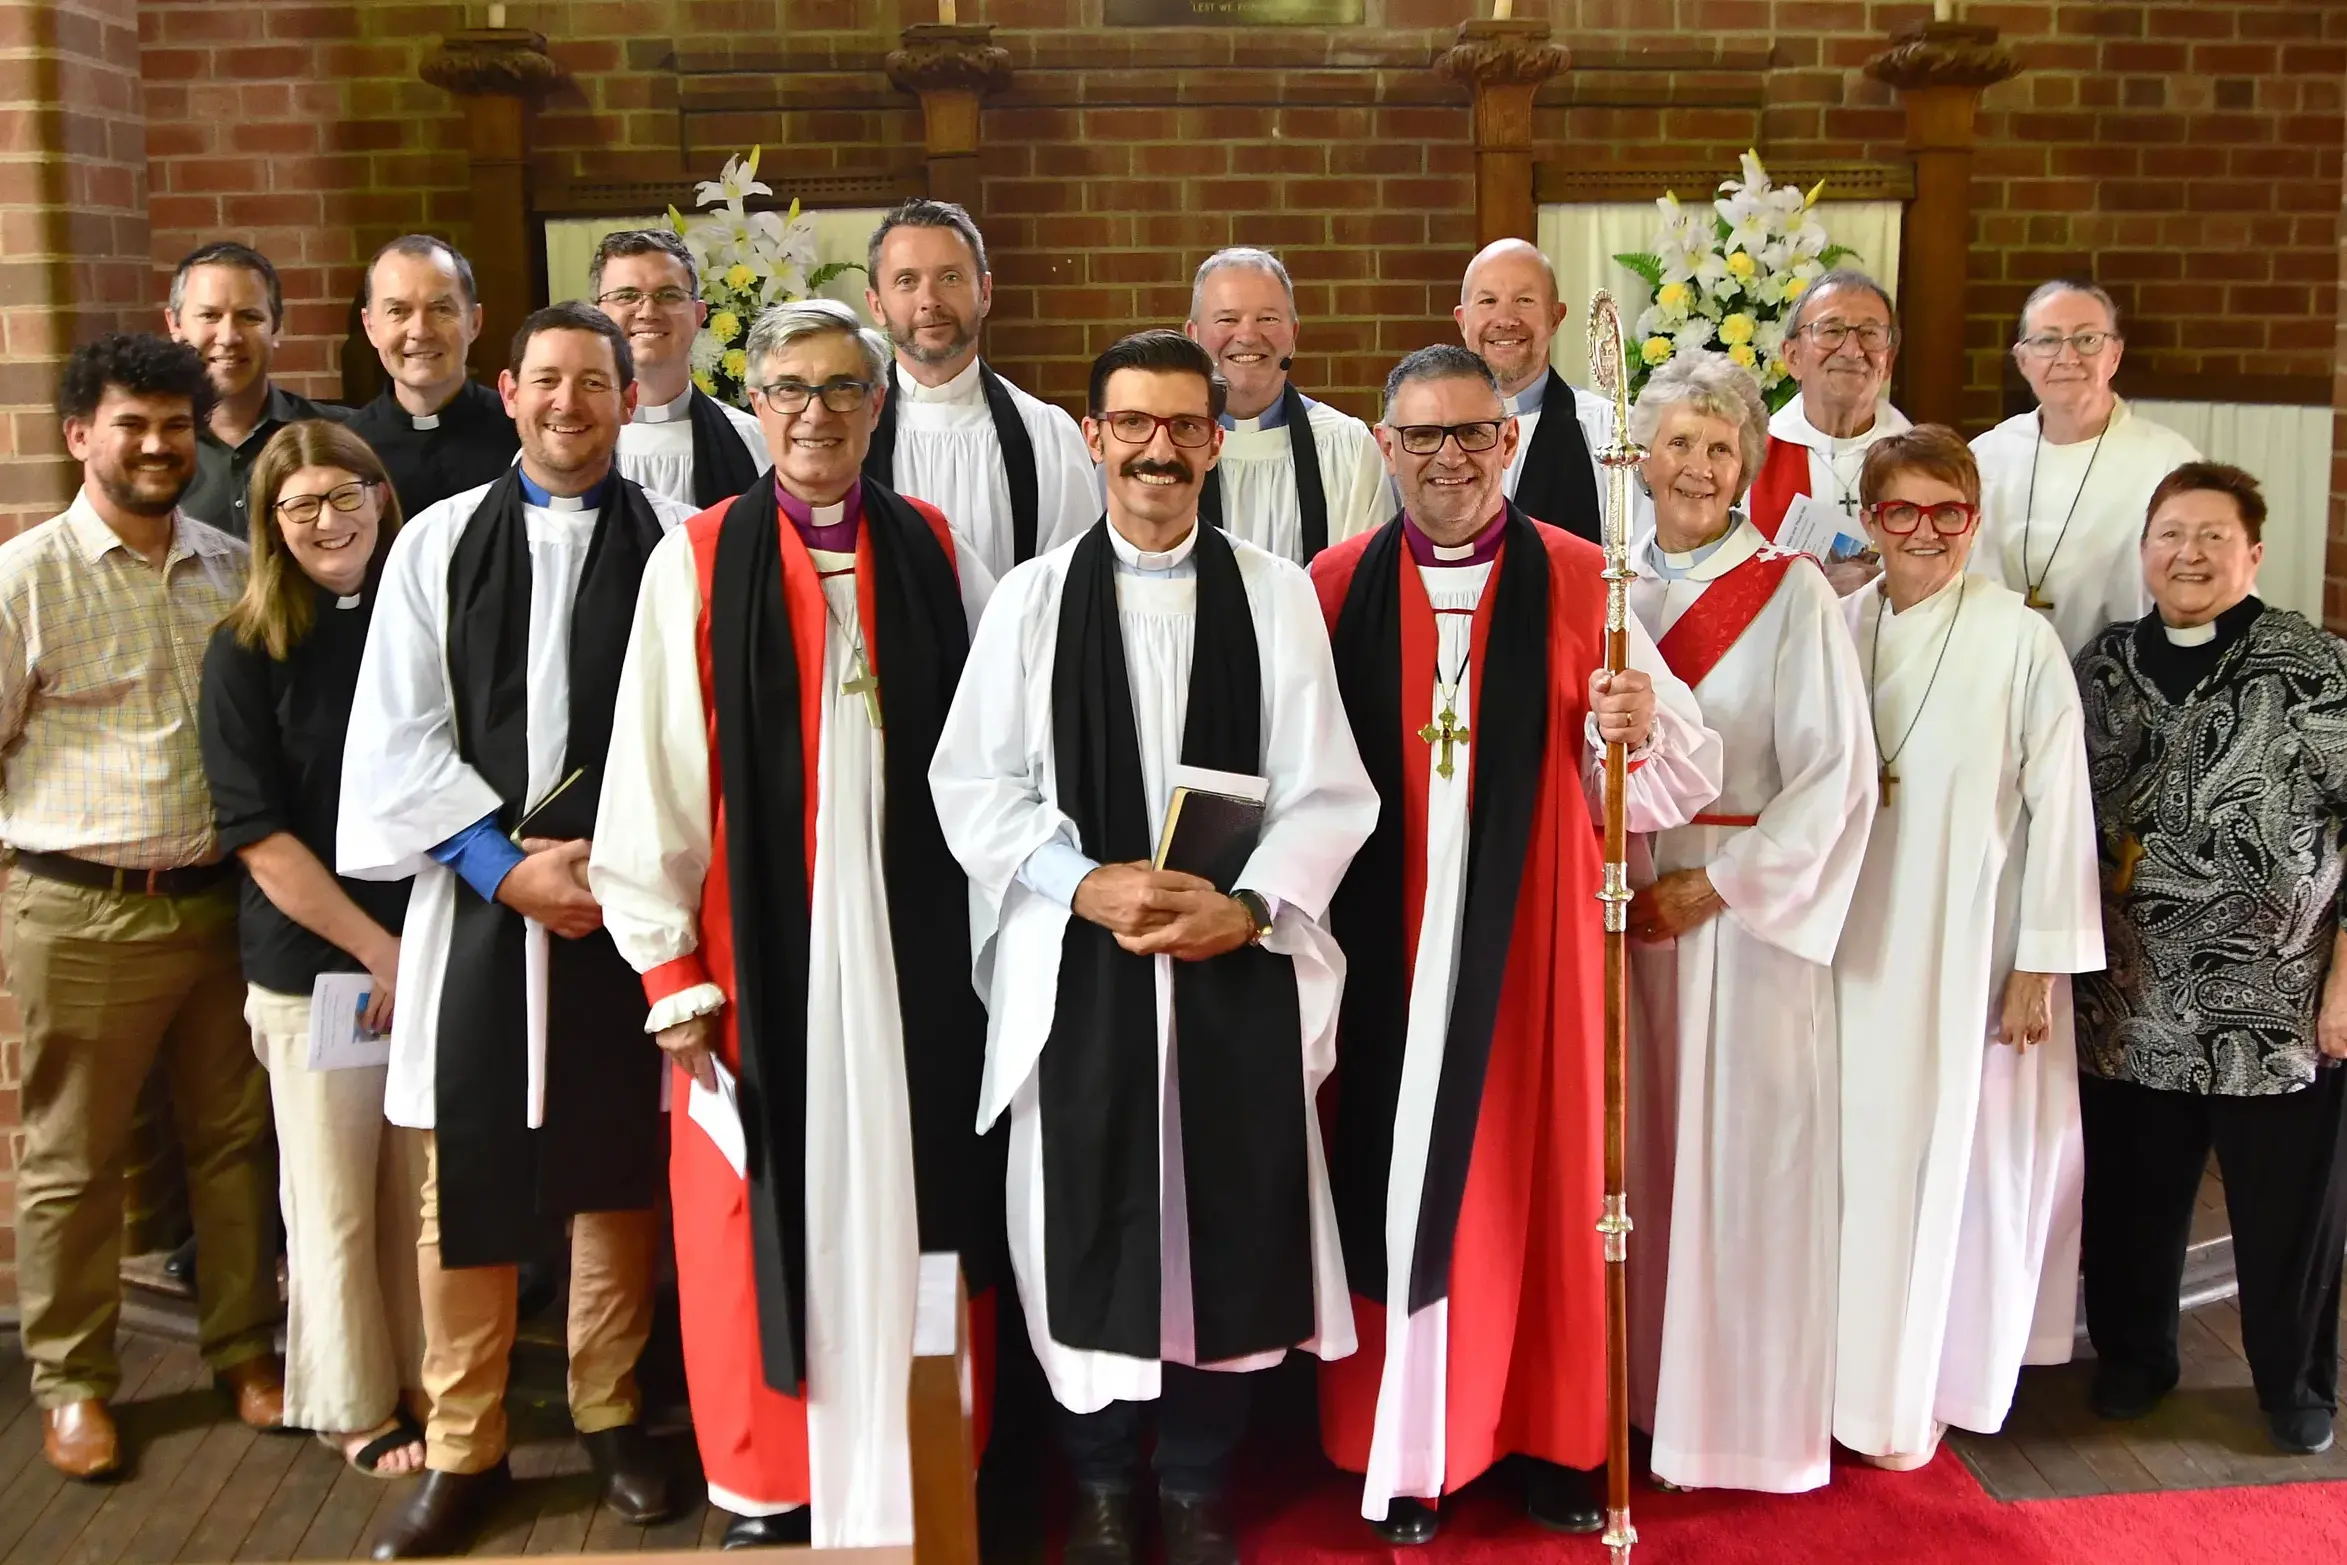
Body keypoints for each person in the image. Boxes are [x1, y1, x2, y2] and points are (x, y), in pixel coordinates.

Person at [929, 330, 1379, 1565]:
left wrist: (1247, 906)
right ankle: (1101, 1486)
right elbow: (973, 787)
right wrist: (1083, 886)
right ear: (1092, 435)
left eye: (1184, 425)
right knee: (1082, 1219)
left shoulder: (1274, 595)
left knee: (1216, 1225)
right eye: (1133, 424)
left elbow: (1328, 792)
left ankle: (1191, 1482)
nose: (1159, 449)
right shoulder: (1030, 598)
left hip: (1232, 964)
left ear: (1215, 440)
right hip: (1085, 973)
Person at [590, 298, 1003, 1546]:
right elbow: (650, 773)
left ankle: (926, 1454)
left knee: (928, 1198)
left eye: (839, 389)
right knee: (748, 1210)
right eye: (786, 390)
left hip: (914, 950)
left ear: (879, 404)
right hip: (758, 954)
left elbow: (994, 759)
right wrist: (669, 964)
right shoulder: (698, 556)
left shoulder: (937, 547)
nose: (813, 414)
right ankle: (775, 1478)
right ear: (753, 405)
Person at [1312, 345, 1720, 1543]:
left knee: (1535, 1178)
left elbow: (1673, 785)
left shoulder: (1587, 577)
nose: (1448, 457)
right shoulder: (1333, 584)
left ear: (1509, 444)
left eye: (1472, 435)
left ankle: (1552, 1432)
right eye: (1421, 437)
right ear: (1385, 448)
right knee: (1393, 1185)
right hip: (1380, 942)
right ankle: (1409, 1449)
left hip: (1531, 948)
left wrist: (1634, 730)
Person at [340, 303, 694, 1556]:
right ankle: (463, 1436)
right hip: (483, 906)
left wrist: (618, 866)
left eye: (592, 384)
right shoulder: (438, 542)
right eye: (546, 381)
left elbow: (700, 734)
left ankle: (608, 1410)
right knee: (467, 1186)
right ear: (508, 388)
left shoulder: (676, 547)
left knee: (614, 1181)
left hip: (629, 904)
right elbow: (398, 733)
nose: (567, 405)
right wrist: (503, 867)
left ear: (625, 395)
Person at [0, 334, 282, 1480]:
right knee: (74, 1157)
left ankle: (243, 1348)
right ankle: (72, 1381)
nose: (159, 444)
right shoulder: (26, 579)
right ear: (81, 435)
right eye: (133, 423)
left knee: (231, 1145)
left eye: (176, 424)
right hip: (85, 909)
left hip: (223, 905)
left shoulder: (230, 564)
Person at [1619, 354, 1874, 1495]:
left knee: (1741, 1167)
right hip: (1620, 906)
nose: (1695, 466)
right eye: (1676, 442)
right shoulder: (1602, 581)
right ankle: (1630, 1399)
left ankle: (1729, 1424)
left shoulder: (1792, 592)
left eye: (1718, 449)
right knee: (1638, 1159)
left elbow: (1836, 777)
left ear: (1748, 467)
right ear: (1643, 453)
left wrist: (1716, 884)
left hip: (1741, 917)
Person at [1832, 425, 2104, 1472]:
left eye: (1948, 512)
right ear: (1868, 518)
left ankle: (1924, 1385)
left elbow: (2060, 808)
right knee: (1853, 1166)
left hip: (1965, 945)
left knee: (1944, 1166)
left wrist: (2036, 961)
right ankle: (1846, 1374)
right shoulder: (1841, 622)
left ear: (1973, 519)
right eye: (1901, 510)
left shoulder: (2014, 638)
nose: (1925, 533)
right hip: (1850, 939)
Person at [2071, 463, 2347, 1457]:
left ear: (2253, 551)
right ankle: (2135, 1358)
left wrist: (2345, 983)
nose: (2187, 554)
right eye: (2169, 534)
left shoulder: (2311, 665)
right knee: (2131, 1198)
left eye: (2211, 536)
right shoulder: (2101, 663)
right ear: (2142, 549)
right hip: (2128, 995)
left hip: (2273, 1000)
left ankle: (2294, 1383)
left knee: (2288, 1212)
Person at [198, 419, 428, 1477]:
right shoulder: (243, 648)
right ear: (271, 526)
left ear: (381, 498)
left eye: (347, 496)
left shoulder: (421, 618)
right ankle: (347, 1396)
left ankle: (429, 1377)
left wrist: (416, 947)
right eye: (303, 507)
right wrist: (378, 951)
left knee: (417, 1192)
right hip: (317, 964)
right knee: (333, 1194)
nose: (330, 520)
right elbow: (258, 834)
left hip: (428, 945)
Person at [862, 197, 1098, 577]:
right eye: (906, 281)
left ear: (984, 292)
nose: (929, 301)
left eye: (950, 277)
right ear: (876, 304)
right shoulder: (849, 434)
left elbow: (1072, 587)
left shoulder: (1047, 436)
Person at [1969, 281, 2202, 658]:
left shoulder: (2171, 464)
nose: (2068, 358)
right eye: (2047, 341)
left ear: (2114, 355)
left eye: (2087, 340)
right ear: (2023, 360)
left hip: (2128, 679)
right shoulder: (1983, 457)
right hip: (2001, 669)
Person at [1183, 247, 1394, 562]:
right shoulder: (1165, 446)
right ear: (1193, 335)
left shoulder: (1346, 447)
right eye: (1227, 318)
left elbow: (1368, 581)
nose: (1248, 335)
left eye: (1267, 318)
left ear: (1293, 335)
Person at [167, 240, 348, 538]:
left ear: (276, 327)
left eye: (249, 317)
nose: (228, 337)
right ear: (174, 324)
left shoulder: (342, 434)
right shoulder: (153, 452)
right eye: (209, 316)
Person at [1745, 269, 1912, 584]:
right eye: (1832, 330)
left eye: (1870, 333)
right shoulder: (1747, 458)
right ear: (1792, 356)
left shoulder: (1923, 459)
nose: (1852, 350)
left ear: (1888, 362)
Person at [590, 227, 772, 508]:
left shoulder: (754, 441)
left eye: (668, 295)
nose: (648, 312)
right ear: (598, 316)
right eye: (626, 295)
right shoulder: (567, 441)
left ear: (699, 315)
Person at [345, 234, 521, 519]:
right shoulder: (347, 449)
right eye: (397, 312)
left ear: (474, 322)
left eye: (441, 309)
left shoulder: (521, 433)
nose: (420, 331)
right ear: (370, 326)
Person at [1453, 237, 1613, 541]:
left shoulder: (1609, 434)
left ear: (1556, 317)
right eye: (1488, 301)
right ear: (1462, 320)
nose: (1506, 320)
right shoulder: (1425, 437)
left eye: (1524, 300)